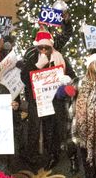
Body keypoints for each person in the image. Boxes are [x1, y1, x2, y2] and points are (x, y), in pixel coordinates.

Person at [20, 31, 71, 170]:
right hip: (37, 100)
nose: (43, 50)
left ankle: (52, 155)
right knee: (34, 128)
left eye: (46, 48)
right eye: (40, 47)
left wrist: (67, 81)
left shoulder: (60, 58)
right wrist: (37, 66)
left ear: (51, 47)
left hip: (55, 100)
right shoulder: (32, 57)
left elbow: (71, 76)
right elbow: (24, 78)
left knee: (52, 128)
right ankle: (32, 157)